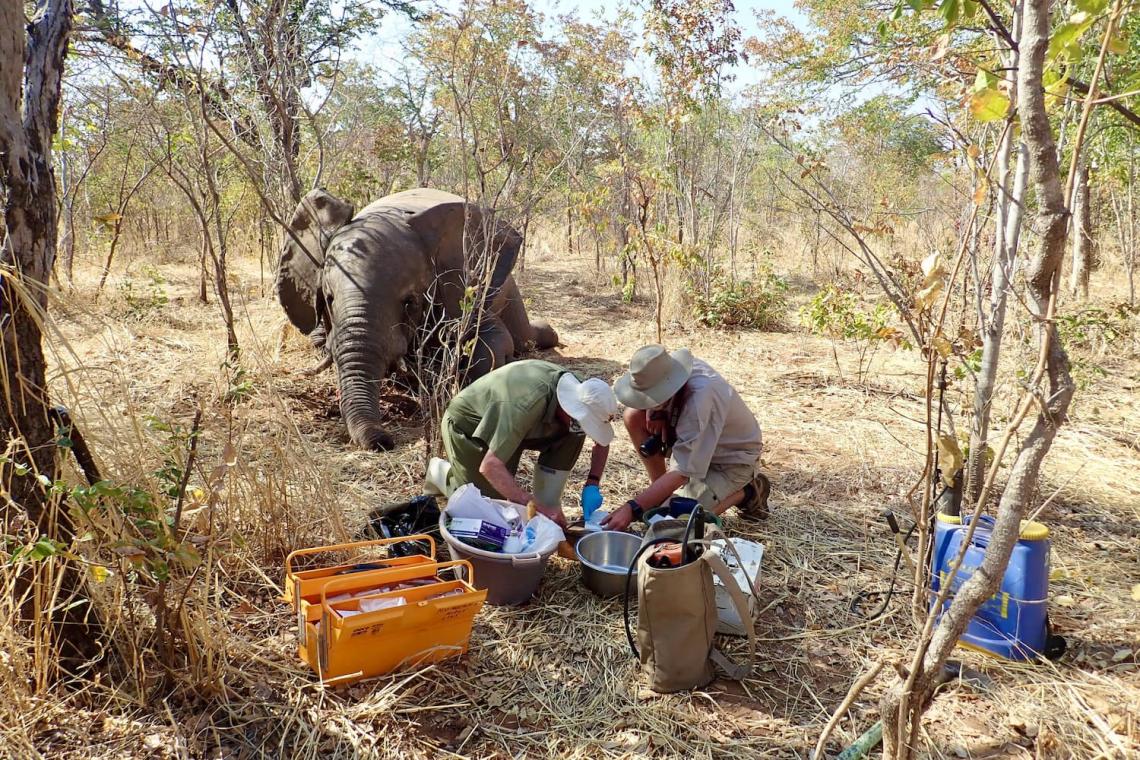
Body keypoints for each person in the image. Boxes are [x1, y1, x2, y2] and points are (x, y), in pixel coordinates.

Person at [425, 359, 618, 527]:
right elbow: (490, 467)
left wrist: (592, 483)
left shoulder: (587, 392)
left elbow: (602, 440)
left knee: (574, 434)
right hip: (472, 427)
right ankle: (442, 473)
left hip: (521, 427)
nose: (584, 428)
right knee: (487, 506)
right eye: (582, 422)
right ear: (570, 406)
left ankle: (549, 504)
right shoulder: (525, 404)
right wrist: (530, 503)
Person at [601, 345, 769, 532]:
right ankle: (661, 492)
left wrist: (632, 508)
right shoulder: (672, 372)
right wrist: (655, 411)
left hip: (730, 460)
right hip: (699, 442)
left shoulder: (700, 401)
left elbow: (681, 474)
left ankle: (749, 492)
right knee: (633, 415)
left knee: (674, 522)